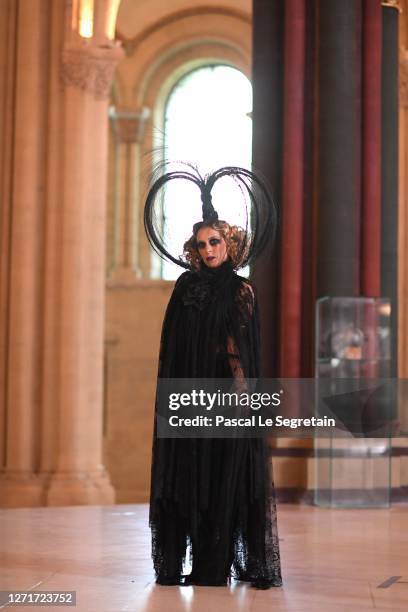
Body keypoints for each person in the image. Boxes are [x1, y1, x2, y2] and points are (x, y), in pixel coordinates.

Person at [144, 164, 282, 589]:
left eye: (215, 241)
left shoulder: (241, 290)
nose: (208, 250)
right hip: (190, 397)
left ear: (229, 242)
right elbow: (172, 348)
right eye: (202, 244)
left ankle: (214, 567)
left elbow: (239, 351)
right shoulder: (185, 286)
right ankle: (186, 563)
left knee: (223, 479)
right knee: (190, 478)